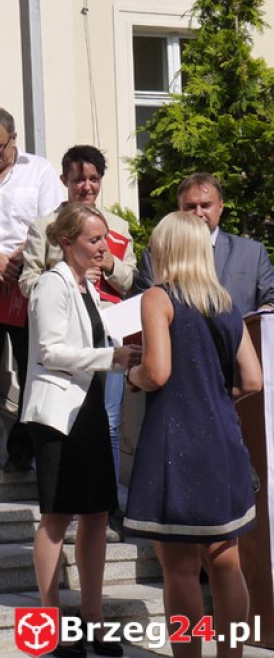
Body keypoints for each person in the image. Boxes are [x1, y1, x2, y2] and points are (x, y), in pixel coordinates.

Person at [125, 211, 262, 658]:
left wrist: (133, 373)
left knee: (180, 570)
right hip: (224, 439)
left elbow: (158, 371)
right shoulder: (225, 302)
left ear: (166, 249)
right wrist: (215, 399)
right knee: (227, 562)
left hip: (175, 442)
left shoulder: (158, 298)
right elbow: (253, 380)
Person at [22, 204, 139, 658]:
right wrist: (110, 359)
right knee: (57, 517)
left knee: (95, 515)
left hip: (88, 408)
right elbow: (51, 351)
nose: (102, 249)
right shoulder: (52, 283)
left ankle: (93, 618)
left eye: (104, 240)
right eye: (94, 240)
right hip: (56, 413)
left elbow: (95, 342)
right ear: (67, 242)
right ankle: (45, 626)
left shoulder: (88, 286)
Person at [20, 145, 136, 499]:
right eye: (78, 179)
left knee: (110, 421)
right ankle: (58, 499)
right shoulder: (45, 226)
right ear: (64, 181)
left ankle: (108, 500)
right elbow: (27, 281)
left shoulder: (116, 227)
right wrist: (63, 285)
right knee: (59, 419)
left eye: (93, 179)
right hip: (65, 333)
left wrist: (108, 262)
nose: (86, 186)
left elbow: (131, 280)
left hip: (108, 332)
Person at [0, 106, 64, 472]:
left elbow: (51, 224)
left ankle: (22, 451)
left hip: (27, 279)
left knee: (30, 366)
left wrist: (18, 257)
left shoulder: (39, 171)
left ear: (14, 139)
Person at [134, 172, 274, 314]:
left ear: (220, 207)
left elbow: (270, 299)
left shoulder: (251, 253)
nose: (199, 213)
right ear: (179, 209)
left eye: (206, 205)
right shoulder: (156, 256)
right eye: (190, 207)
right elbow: (142, 310)